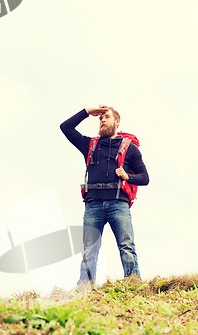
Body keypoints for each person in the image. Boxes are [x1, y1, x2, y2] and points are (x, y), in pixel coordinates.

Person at [60, 106, 149, 285]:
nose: (102, 120)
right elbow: (65, 127)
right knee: (89, 250)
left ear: (117, 122)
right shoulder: (90, 145)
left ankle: (133, 284)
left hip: (118, 204)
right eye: (100, 118)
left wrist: (127, 176)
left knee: (126, 246)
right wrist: (86, 111)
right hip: (93, 205)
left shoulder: (130, 149)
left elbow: (145, 178)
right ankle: (85, 288)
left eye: (106, 117)